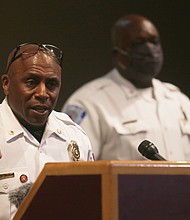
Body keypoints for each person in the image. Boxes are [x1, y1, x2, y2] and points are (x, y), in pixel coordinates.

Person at [62, 14, 190, 161]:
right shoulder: (89, 102)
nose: (149, 49)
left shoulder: (178, 100)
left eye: (154, 41)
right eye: (138, 43)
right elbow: (76, 167)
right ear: (118, 55)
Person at [0, 43, 94, 220]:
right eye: (31, 82)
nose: (43, 93)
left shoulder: (74, 136)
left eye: (51, 84)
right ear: (6, 84)